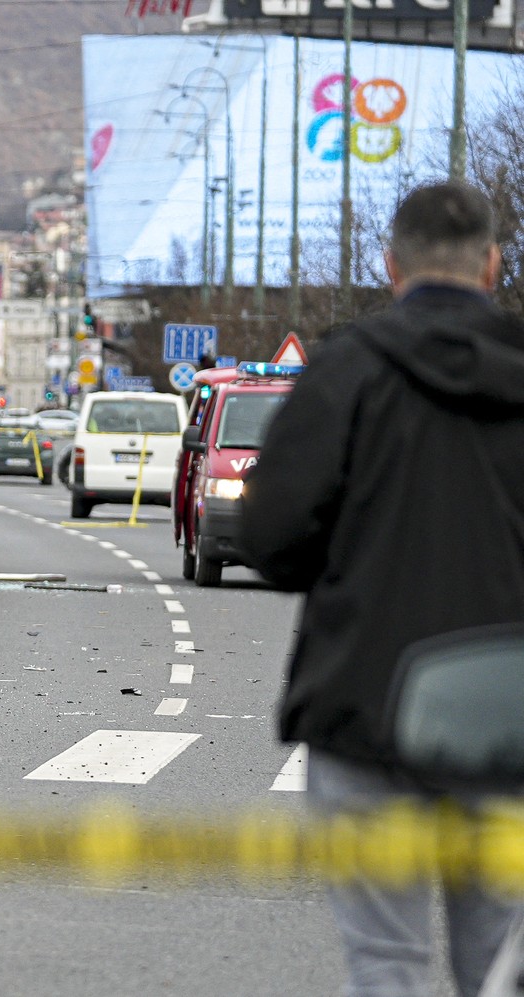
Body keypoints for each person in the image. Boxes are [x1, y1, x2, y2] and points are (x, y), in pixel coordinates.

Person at [240, 181, 524, 997]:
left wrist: (354, 564)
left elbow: (271, 538)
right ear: (493, 265)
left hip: (367, 702)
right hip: (509, 714)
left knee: (385, 963)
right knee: (499, 965)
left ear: (391, 264)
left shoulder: (346, 370)